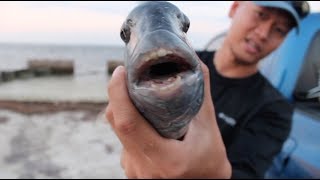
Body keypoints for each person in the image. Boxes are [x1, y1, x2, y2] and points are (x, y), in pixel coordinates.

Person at [106, 1, 310, 179]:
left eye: (280, 30)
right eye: (261, 15)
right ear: (235, 7)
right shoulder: (182, 61)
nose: (263, 33)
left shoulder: (276, 109)